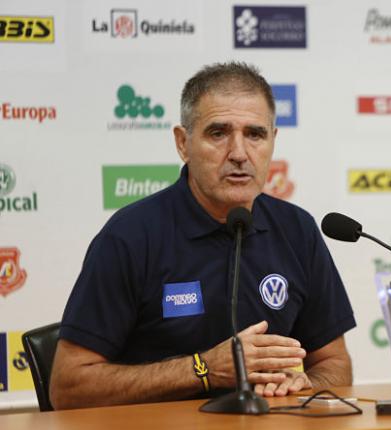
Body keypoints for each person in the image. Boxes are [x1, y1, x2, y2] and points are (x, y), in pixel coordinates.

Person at [49, 62, 356, 409]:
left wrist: (304, 383)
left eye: (255, 134)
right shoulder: (130, 236)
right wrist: (204, 369)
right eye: (218, 133)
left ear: (273, 140)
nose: (239, 154)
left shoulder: (297, 229)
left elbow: (335, 365)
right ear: (183, 143)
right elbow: (68, 386)